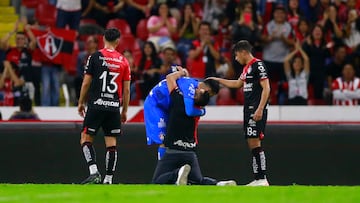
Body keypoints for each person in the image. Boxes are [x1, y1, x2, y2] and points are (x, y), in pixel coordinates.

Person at [151, 66, 235, 186]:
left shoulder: (178, 99)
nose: (195, 89)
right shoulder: (199, 111)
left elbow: (170, 79)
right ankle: (218, 184)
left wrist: (181, 73)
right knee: (197, 181)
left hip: (173, 150)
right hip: (190, 153)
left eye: (197, 92)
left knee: (157, 180)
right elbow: (191, 99)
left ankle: (177, 174)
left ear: (195, 97)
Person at [209, 40, 270, 186]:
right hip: (249, 109)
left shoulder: (258, 65)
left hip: (255, 108)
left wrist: (260, 108)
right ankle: (259, 178)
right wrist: (218, 80)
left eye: (236, 55)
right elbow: (237, 84)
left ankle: (262, 178)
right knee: (251, 142)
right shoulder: (247, 68)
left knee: (255, 141)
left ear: (243, 52)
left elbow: (267, 88)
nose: (236, 59)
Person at [77, 28, 131, 184]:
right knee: (111, 143)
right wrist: (124, 110)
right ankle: (109, 179)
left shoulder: (95, 57)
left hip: (96, 104)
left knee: (85, 138)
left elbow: (86, 82)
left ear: (103, 39)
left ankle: (94, 172)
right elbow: (126, 89)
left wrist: (81, 102)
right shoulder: (124, 61)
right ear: (118, 41)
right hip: (113, 106)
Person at [144, 67, 219, 160]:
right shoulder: (191, 88)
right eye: (210, 94)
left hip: (166, 105)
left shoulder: (192, 85)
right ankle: (162, 167)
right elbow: (189, 111)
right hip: (155, 104)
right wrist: (202, 112)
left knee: (170, 138)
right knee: (164, 140)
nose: (209, 97)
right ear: (208, 90)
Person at [283, 40, 310, 105]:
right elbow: (286, 60)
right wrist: (295, 50)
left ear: (302, 65)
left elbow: (306, 59)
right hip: (292, 100)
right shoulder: (290, 76)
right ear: (292, 64)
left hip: (303, 100)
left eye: (299, 62)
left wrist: (300, 49)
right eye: (295, 62)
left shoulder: (305, 75)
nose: (297, 64)